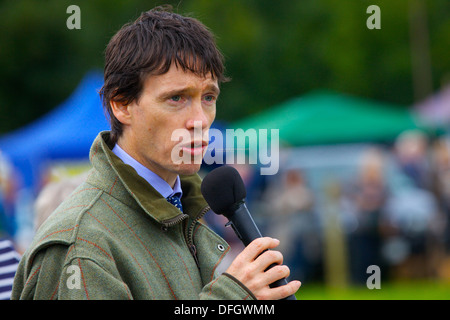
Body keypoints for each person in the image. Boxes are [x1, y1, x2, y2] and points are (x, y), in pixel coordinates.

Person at [12, 7, 300, 300]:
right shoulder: (81, 244)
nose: (200, 120)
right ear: (121, 105)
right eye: (176, 98)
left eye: (208, 97)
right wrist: (231, 298)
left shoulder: (185, 206)